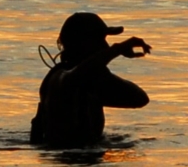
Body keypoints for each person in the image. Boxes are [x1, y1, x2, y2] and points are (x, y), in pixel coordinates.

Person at [29, 11, 151, 148]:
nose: (105, 46)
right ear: (84, 43)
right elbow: (75, 77)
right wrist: (116, 50)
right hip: (71, 161)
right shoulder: (59, 78)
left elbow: (139, 99)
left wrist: (101, 71)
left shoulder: (92, 80)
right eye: (101, 40)